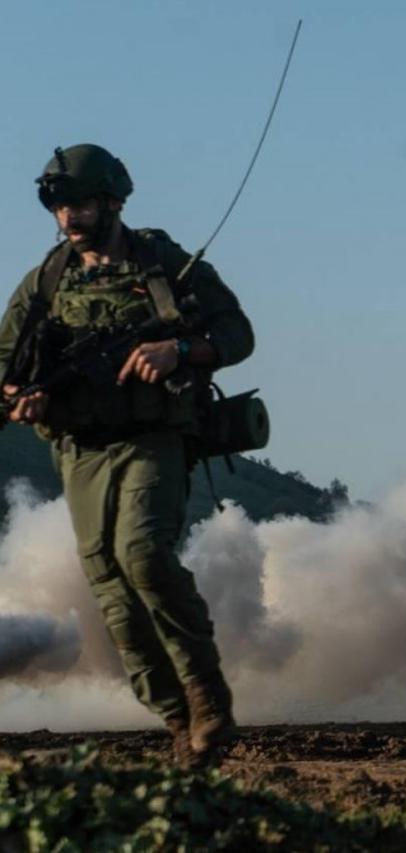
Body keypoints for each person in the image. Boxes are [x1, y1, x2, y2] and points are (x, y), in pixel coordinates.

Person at [0, 144, 254, 767]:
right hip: (78, 448)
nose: (68, 217)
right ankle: (176, 718)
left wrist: (179, 351)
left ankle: (206, 694)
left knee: (141, 553)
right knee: (109, 585)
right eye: (59, 206)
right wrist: (20, 397)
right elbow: (6, 366)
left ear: (113, 202)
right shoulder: (47, 280)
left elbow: (237, 334)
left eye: (80, 204)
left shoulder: (162, 264)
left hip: (152, 437)